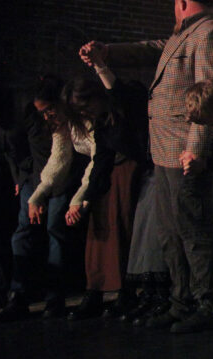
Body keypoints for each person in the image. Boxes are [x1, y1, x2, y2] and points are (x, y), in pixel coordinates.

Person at [80, 0, 213, 333]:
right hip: (164, 150)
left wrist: (196, 148)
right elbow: (149, 50)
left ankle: (207, 303)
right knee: (169, 232)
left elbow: (209, 95)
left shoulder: (209, 34)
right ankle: (181, 301)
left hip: (183, 150)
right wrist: (107, 52)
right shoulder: (184, 35)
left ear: (182, 4)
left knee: (192, 230)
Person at [60, 69, 149, 321]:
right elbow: (101, 159)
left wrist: (99, 64)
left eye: (85, 107)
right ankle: (96, 290)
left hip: (135, 169)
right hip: (112, 172)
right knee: (100, 228)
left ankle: (128, 291)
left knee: (125, 228)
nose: (85, 115)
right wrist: (86, 199)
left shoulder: (123, 106)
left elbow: (122, 93)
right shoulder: (101, 123)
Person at [0, 76, 71, 321]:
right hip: (34, 176)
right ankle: (18, 295)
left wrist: (39, 194)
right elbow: (13, 149)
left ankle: (55, 298)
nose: (45, 115)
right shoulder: (30, 115)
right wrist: (22, 179)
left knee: (55, 229)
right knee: (23, 232)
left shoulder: (59, 118)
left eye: (47, 109)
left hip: (57, 178)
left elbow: (56, 159)